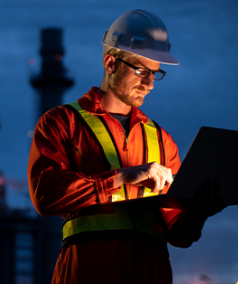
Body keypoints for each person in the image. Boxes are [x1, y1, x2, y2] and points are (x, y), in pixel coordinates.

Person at [27, 9, 225, 284]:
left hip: (150, 271)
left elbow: (179, 236)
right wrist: (121, 177)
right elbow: (45, 195)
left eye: (156, 74)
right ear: (110, 63)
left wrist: (198, 212)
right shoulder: (62, 122)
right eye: (142, 71)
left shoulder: (162, 141)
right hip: (88, 269)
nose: (150, 84)